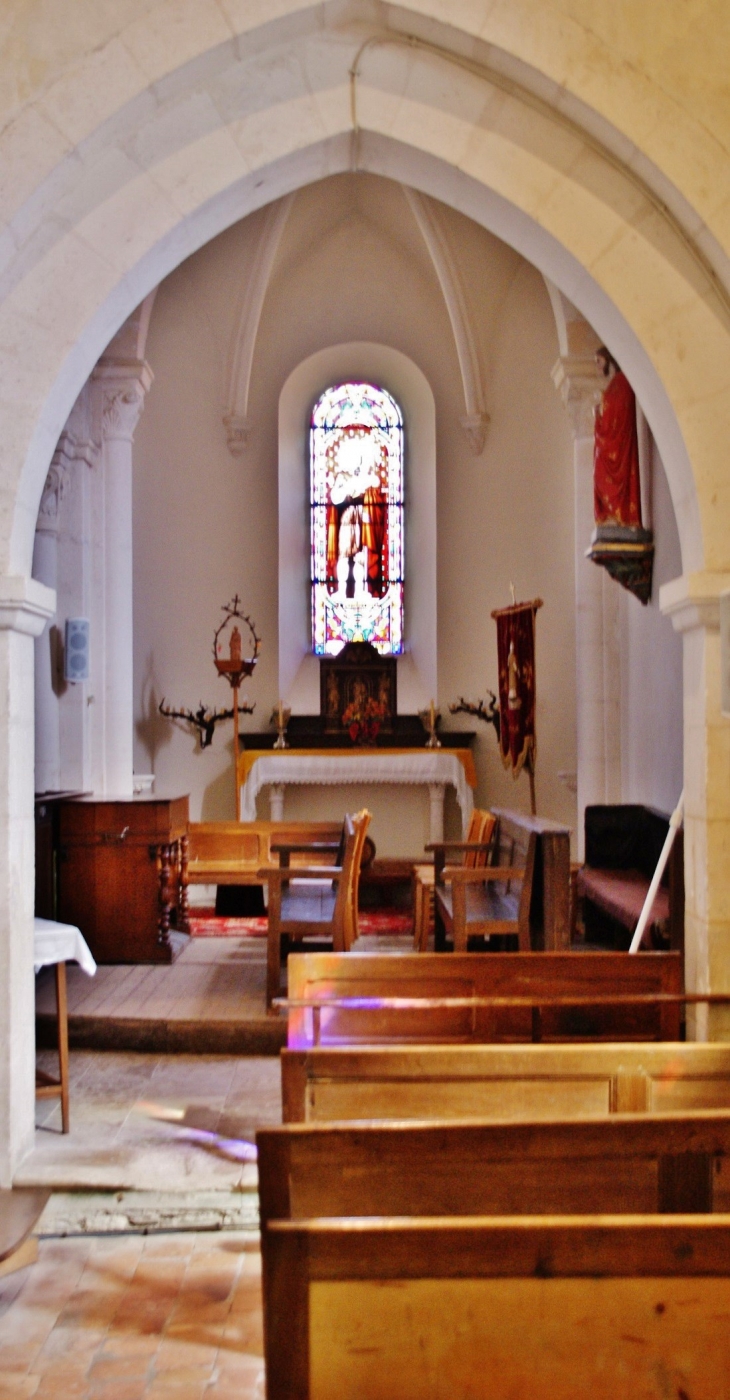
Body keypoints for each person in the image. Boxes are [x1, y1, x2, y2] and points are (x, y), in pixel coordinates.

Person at [326, 434, 387, 598]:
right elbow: (335, 497)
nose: (357, 463)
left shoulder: (366, 478)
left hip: (363, 519)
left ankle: (361, 591)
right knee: (345, 556)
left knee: (361, 556)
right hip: (347, 519)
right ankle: (341, 589)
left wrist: (361, 482)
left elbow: (375, 482)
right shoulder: (342, 477)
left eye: (360, 458)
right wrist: (348, 488)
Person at [593, 346, 643, 527]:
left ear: (609, 359)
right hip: (611, 446)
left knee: (603, 475)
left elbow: (617, 418)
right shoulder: (615, 385)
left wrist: (599, 415)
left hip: (618, 447)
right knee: (599, 475)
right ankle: (611, 516)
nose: (597, 367)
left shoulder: (621, 384)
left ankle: (618, 515)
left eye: (599, 362)